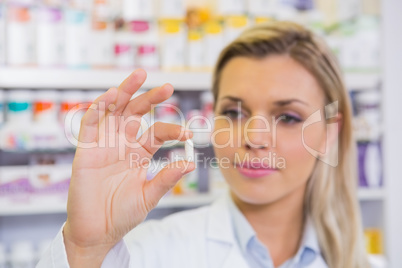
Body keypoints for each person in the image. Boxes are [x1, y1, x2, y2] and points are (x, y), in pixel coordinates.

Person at [38, 21, 369, 268]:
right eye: (234, 112)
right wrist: (85, 248)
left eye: (288, 118)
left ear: (329, 135)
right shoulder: (150, 253)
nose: (253, 138)